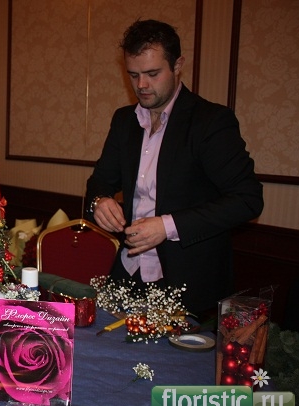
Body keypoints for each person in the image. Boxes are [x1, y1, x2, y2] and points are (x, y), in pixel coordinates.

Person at [84, 19, 263, 316]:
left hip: (187, 281)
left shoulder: (210, 122)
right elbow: (99, 181)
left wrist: (167, 226)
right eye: (133, 75)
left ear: (178, 65)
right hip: (127, 274)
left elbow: (248, 200)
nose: (142, 85)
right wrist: (100, 201)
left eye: (153, 74)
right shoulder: (124, 121)